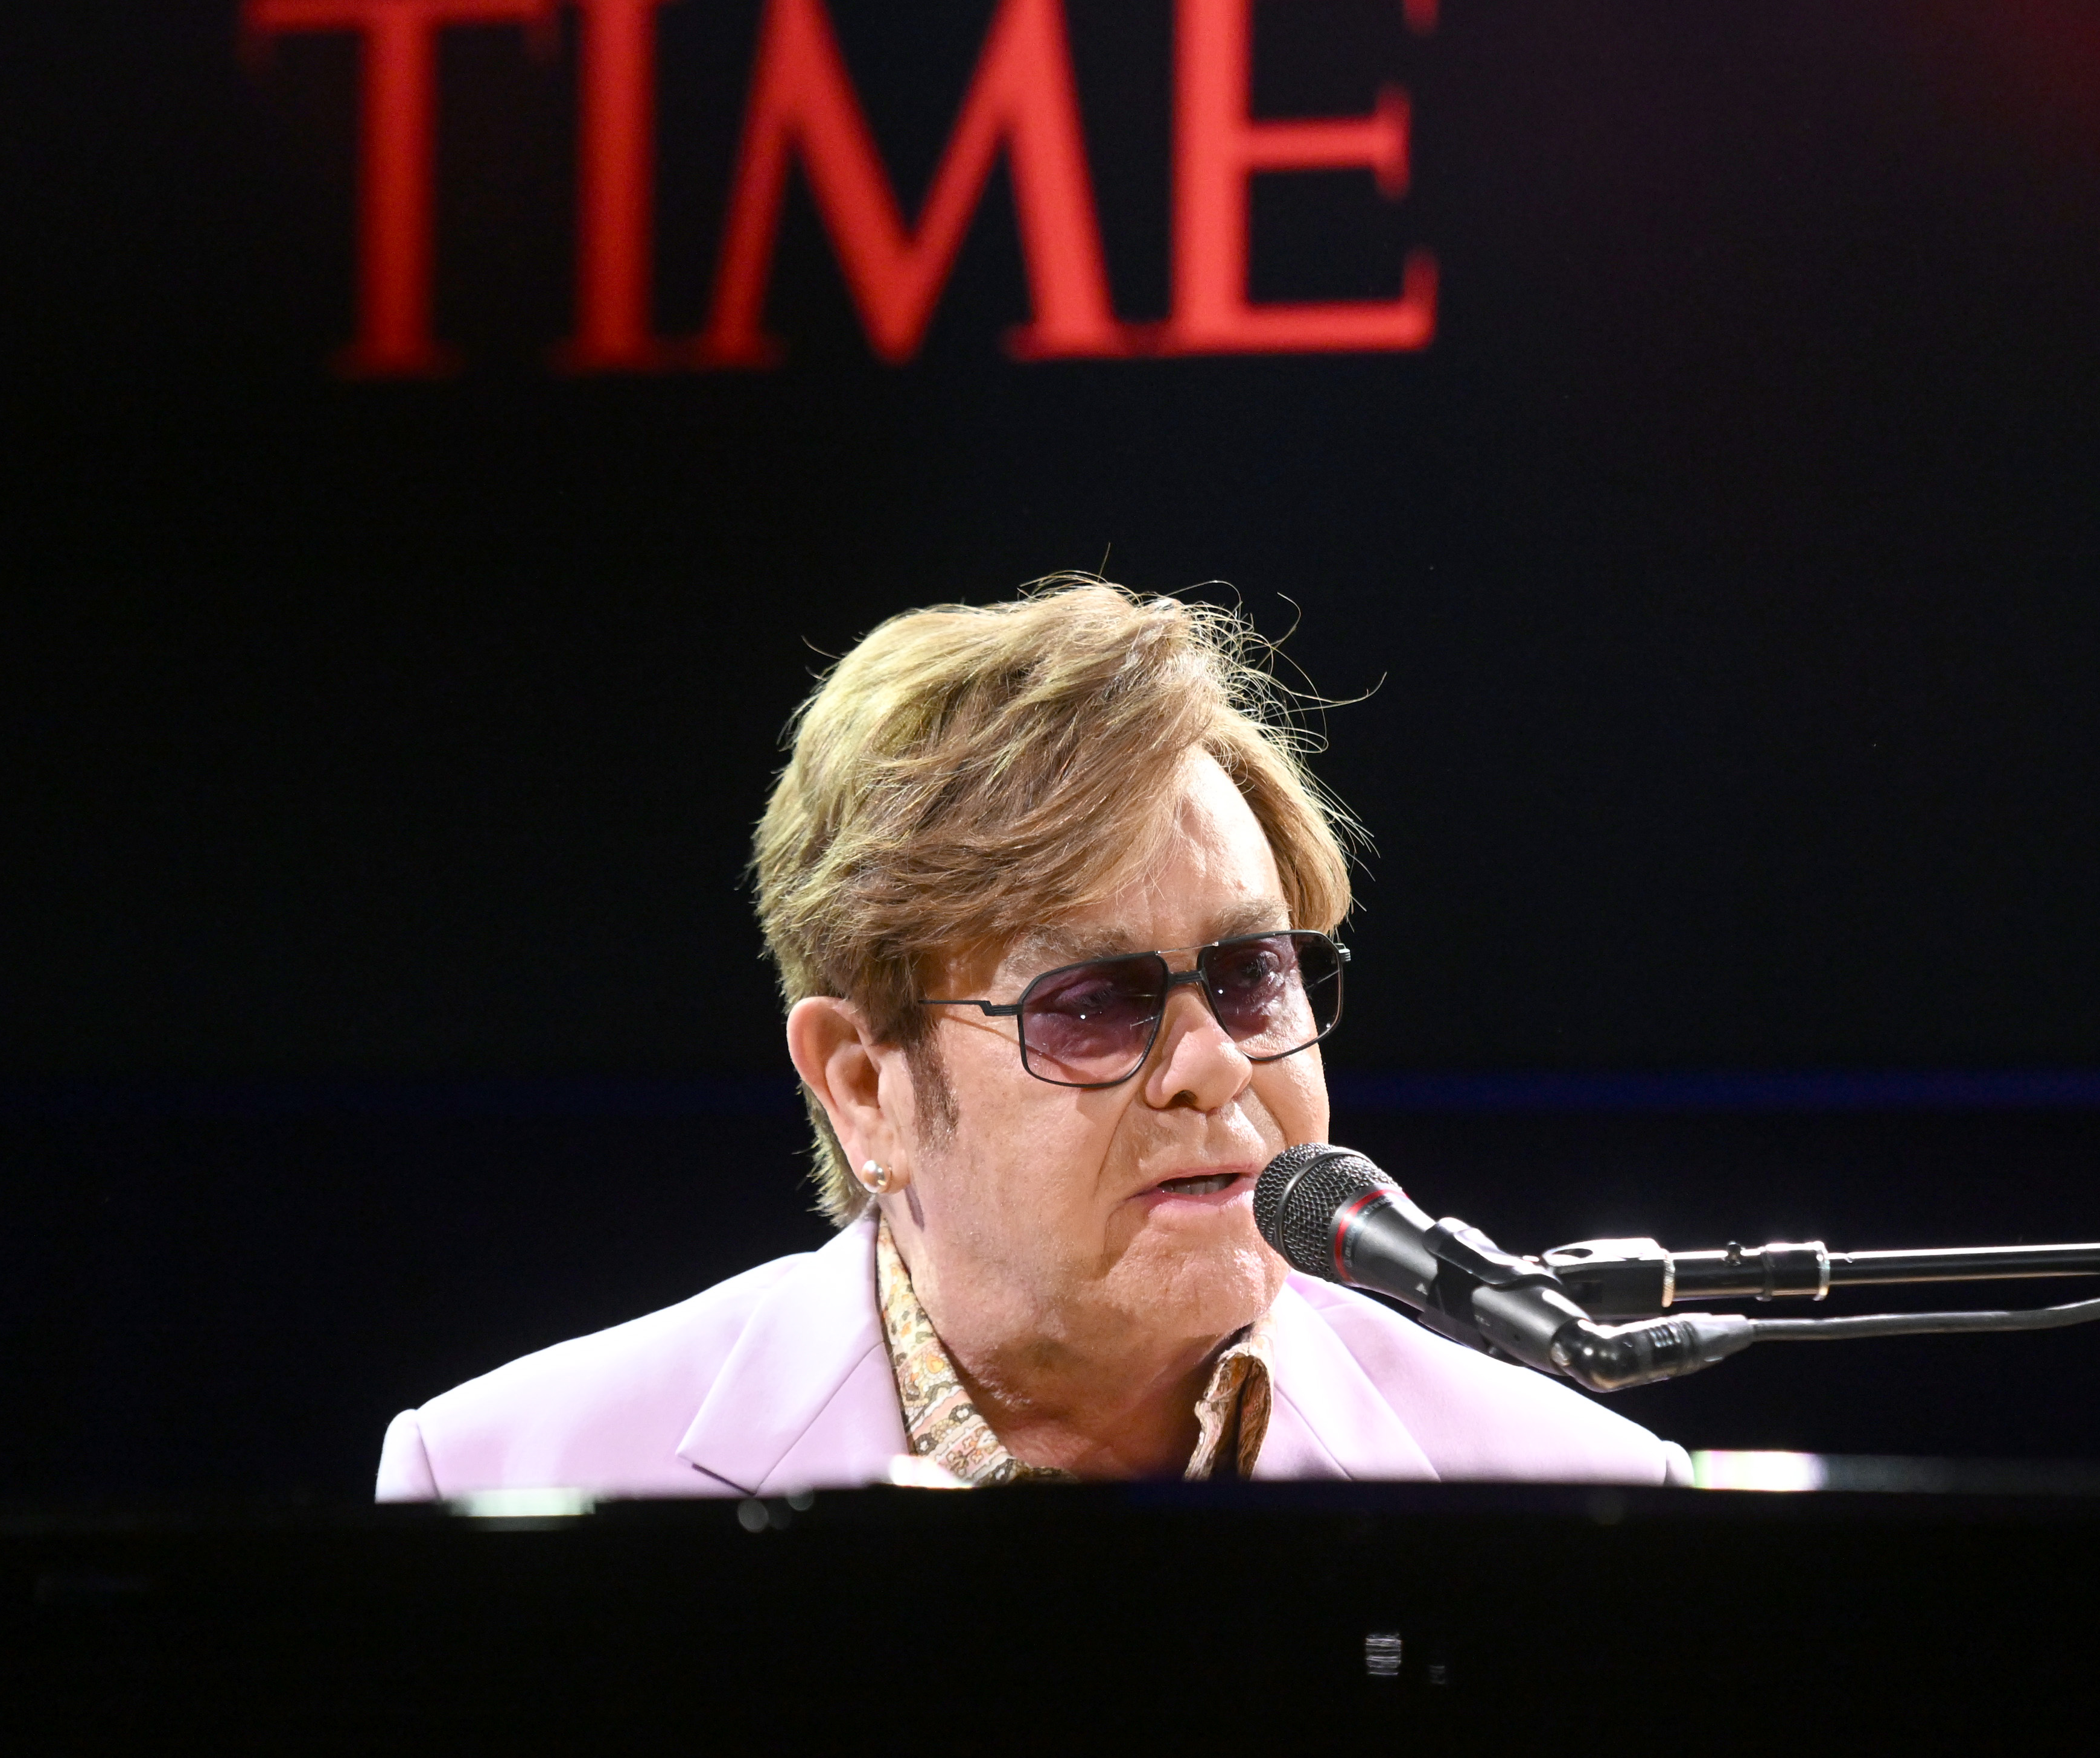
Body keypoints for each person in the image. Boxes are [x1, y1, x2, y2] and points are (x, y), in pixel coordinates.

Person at [375, 581, 1686, 1498]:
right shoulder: (501, 1474)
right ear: (863, 1087)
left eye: (1251, 977)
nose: (1215, 1065)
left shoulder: (1589, 1497)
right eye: (1094, 1002)